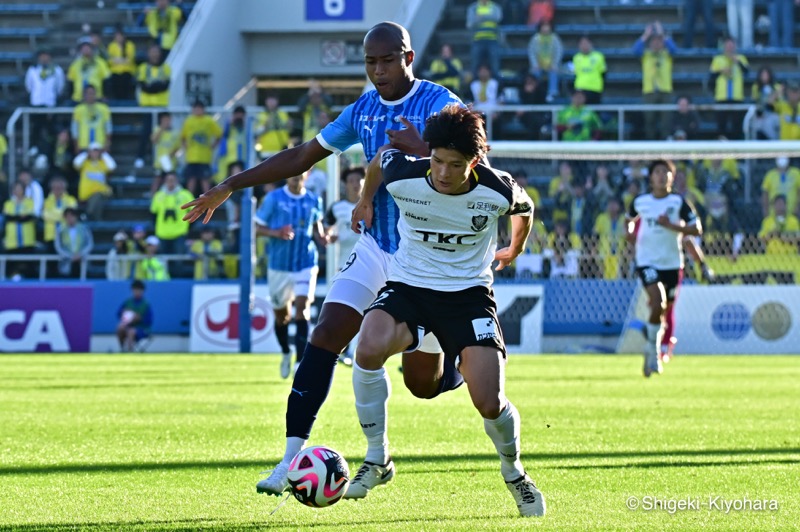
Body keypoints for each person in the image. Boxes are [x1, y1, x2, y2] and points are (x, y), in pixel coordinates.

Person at [181, 21, 465, 496]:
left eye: (387, 61)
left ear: (408, 59)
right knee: (327, 331)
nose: (378, 71)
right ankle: (291, 458)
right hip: (376, 245)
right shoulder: (362, 110)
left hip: (424, 255)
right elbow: (303, 156)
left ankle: (449, 363)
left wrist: (425, 147)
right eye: (370, 62)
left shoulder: (439, 103)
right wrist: (231, 185)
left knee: (423, 385)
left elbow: (471, 154)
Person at [345, 105, 544, 516]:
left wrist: (515, 247)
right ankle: (377, 458)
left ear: (474, 162)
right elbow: (379, 161)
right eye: (436, 160)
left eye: (455, 165)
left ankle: (515, 474)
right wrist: (366, 200)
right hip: (409, 288)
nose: (443, 172)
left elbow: (525, 210)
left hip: (467, 297)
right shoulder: (405, 174)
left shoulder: (497, 189)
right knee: (367, 348)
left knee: (490, 402)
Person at [626, 159, 702, 377]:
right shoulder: (640, 201)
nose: (662, 176)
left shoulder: (679, 202)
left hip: (671, 264)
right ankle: (655, 350)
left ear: (672, 177)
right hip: (647, 261)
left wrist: (672, 226)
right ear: (651, 177)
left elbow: (697, 229)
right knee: (657, 301)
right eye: (658, 172)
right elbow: (628, 220)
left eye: (666, 172)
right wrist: (629, 233)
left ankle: (651, 349)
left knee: (663, 310)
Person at [255, 171, 327, 378]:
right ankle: (286, 352)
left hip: (306, 262)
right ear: (287, 175)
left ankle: (299, 361)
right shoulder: (274, 198)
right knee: (282, 316)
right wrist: (276, 233)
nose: (296, 176)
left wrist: (323, 237)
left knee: (302, 309)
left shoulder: (314, 200)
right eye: (293, 173)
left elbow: (317, 228)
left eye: (301, 172)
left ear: (307, 174)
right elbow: (256, 228)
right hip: (279, 265)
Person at [634, 22, 677, 140]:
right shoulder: (646, 55)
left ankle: (665, 146)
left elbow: (674, 49)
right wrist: (646, 35)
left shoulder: (667, 54)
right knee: (649, 121)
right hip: (649, 91)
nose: (657, 43)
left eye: (659, 40)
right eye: (654, 41)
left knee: (666, 122)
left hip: (665, 91)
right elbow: (636, 50)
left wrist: (662, 33)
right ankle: (650, 145)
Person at [135, 44, 172, 169]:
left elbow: (165, 85)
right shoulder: (143, 68)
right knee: (146, 132)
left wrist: (152, 86)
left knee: (162, 135)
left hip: (162, 106)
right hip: (148, 106)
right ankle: (140, 157)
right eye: (152, 51)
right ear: (148, 53)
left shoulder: (166, 68)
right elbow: (143, 86)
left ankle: (159, 159)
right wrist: (156, 86)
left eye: (156, 51)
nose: (154, 54)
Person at [25, 50, 65, 157]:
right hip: (36, 104)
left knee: (50, 129)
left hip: (50, 105)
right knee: (36, 127)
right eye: (42, 56)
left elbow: (60, 88)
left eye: (46, 56)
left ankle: (50, 152)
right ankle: (34, 147)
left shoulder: (57, 70)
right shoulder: (32, 70)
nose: (44, 58)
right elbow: (29, 86)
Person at [177, 100, 222, 195]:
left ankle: (207, 202)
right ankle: (189, 202)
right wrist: (186, 147)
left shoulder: (209, 121)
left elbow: (219, 134)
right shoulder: (188, 121)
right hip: (191, 158)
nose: (197, 111)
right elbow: (182, 137)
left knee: (205, 180)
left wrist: (213, 145)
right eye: (195, 109)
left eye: (199, 109)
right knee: (191, 179)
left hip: (204, 157)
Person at [325, 166, 365, 270]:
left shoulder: (372, 206)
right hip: (345, 261)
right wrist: (329, 236)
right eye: (351, 181)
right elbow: (326, 228)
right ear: (345, 184)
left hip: (368, 260)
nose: (355, 184)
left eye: (358, 180)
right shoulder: (336, 207)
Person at [710, 38, 748, 140]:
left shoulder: (741, 58)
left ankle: (737, 150)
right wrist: (721, 71)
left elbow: (746, 71)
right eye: (727, 46)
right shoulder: (717, 59)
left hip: (737, 97)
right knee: (721, 127)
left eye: (731, 46)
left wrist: (737, 62)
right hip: (721, 97)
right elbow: (711, 77)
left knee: (737, 126)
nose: (729, 48)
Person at [73, 142, 116, 220]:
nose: (95, 153)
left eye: (97, 151)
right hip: (86, 194)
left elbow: (112, 166)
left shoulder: (103, 163)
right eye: (93, 151)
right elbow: (76, 163)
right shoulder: (85, 163)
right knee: (98, 203)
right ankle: (97, 220)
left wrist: (104, 154)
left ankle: (88, 214)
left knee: (97, 195)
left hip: (101, 192)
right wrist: (86, 154)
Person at [527, 21, 563, 102]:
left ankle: (552, 93)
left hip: (551, 65)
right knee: (535, 73)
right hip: (538, 65)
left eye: (547, 26)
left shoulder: (555, 38)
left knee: (554, 72)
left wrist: (554, 64)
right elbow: (531, 52)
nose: (545, 28)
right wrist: (535, 64)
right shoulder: (535, 38)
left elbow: (559, 52)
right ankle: (537, 91)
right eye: (544, 26)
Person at [66, 39, 110, 104]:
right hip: (78, 99)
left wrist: (106, 96)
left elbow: (106, 80)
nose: (85, 49)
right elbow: (70, 82)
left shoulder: (100, 63)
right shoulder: (75, 64)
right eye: (83, 47)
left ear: (92, 48)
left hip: (96, 98)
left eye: (87, 47)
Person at [53, 207, 93, 278]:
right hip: (67, 262)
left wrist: (80, 254)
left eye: (72, 216)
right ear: (64, 218)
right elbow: (58, 246)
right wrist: (70, 256)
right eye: (67, 217)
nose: (70, 219)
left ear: (76, 217)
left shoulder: (84, 229)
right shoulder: (61, 230)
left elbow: (90, 244)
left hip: (81, 260)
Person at [466, 0, 503, 77]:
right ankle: (474, 85)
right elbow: (469, 24)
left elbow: (498, 18)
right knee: (475, 66)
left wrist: (481, 17)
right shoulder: (473, 8)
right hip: (477, 41)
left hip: (493, 40)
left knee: (495, 66)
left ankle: (497, 84)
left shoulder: (495, 7)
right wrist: (489, 17)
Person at [71, 85, 112, 152]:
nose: (90, 96)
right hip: (83, 145)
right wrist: (76, 145)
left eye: (92, 93)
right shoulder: (78, 109)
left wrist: (107, 144)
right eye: (88, 93)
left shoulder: (104, 109)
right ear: (84, 95)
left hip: (100, 146)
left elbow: (108, 128)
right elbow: (74, 129)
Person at [42, 176, 78, 254]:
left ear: (64, 188)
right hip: (51, 236)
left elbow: (71, 215)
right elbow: (45, 216)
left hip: (66, 235)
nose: (57, 190)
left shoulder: (71, 200)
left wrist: (53, 214)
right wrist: (62, 214)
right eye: (55, 188)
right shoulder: (46, 201)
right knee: (52, 262)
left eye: (60, 188)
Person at [116, 280, 154, 352]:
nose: (137, 292)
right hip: (128, 325)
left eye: (139, 290)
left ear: (143, 291)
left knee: (131, 331)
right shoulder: (127, 302)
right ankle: (122, 349)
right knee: (120, 327)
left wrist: (139, 318)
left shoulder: (146, 305)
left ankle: (130, 351)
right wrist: (123, 314)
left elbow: (149, 321)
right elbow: (118, 313)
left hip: (142, 328)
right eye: (135, 290)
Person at [254, 93, 292, 160]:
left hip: (281, 151)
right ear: (266, 101)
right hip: (266, 151)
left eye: (273, 100)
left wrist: (290, 125)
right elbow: (257, 132)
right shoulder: (261, 115)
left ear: (277, 101)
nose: (271, 102)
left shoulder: (282, 114)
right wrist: (266, 124)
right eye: (269, 100)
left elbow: (289, 130)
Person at [572, 35, 606, 104]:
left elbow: (603, 73)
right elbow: (575, 74)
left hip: (595, 88)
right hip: (580, 88)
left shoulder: (599, 56)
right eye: (582, 44)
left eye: (586, 43)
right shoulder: (576, 58)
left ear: (591, 44)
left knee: (594, 112)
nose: (584, 46)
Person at [107, 25, 137, 101]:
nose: (118, 38)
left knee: (125, 79)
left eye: (120, 36)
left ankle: (126, 100)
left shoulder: (130, 45)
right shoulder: (111, 46)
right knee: (115, 80)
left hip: (127, 70)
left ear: (123, 36)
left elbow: (130, 60)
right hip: (115, 71)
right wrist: (123, 60)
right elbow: (110, 60)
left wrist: (117, 60)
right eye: (116, 36)